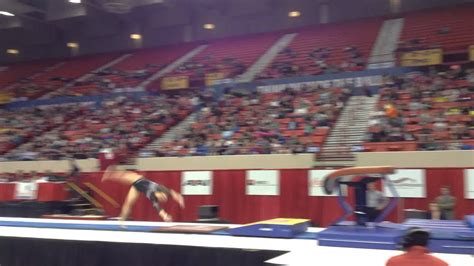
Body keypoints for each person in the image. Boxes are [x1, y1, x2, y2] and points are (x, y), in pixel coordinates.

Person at [102, 165, 185, 224]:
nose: (160, 198)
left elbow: (160, 210)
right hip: (138, 179)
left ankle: (121, 221)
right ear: (162, 194)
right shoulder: (161, 188)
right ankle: (110, 173)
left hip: (136, 188)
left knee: (128, 203)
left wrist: (166, 217)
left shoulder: (153, 199)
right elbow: (175, 194)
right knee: (123, 177)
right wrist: (180, 200)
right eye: (162, 197)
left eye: (161, 200)